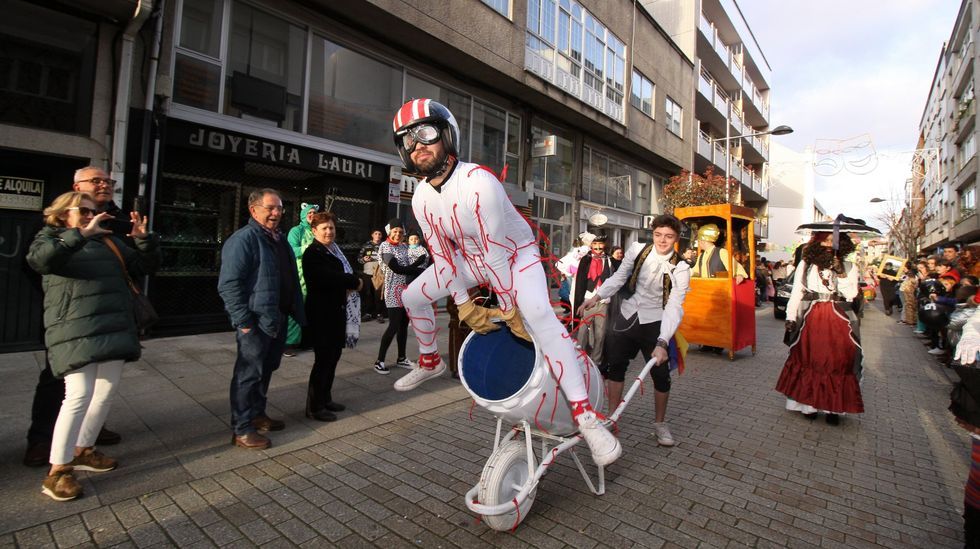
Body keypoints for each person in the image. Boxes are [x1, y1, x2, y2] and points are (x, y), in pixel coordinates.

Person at [391, 98, 621, 466]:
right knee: (413, 295)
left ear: (447, 135)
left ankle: (586, 417)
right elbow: (443, 255)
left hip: (516, 256)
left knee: (541, 319)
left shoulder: (478, 182)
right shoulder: (420, 197)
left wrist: (508, 308)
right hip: (473, 261)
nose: (417, 146)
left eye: (426, 134)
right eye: (408, 140)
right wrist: (464, 303)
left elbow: (497, 253)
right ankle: (431, 360)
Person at [28, 191, 160, 501]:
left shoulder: (108, 242)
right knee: (78, 396)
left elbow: (146, 265)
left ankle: (84, 449)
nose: (90, 216)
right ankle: (58, 471)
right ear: (63, 215)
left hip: (113, 326)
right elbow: (39, 261)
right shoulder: (51, 238)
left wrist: (144, 239)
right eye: (83, 211)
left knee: (105, 392)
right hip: (76, 330)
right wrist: (78, 235)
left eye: (92, 211)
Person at [23, 167, 128, 467]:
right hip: (70, 317)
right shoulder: (56, 221)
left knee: (101, 385)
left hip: (108, 315)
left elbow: (129, 262)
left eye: (108, 181)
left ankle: (86, 438)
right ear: (76, 186)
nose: (104, 185)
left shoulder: (117, 218)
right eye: (96, 181)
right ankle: (43, 441)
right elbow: (37, 264)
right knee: (61, 383)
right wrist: (64, 300)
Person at [579, 215, 690, 447]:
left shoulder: (681, 267)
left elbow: (674, 306)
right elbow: (619, 277)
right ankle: (611, 418)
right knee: (615, 366)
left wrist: (662, 342)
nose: (662, 240)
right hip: (628, 315)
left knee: (661, 376)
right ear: (653, 233)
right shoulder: (638, 249)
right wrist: (598, 296)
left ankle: (659, 424)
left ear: (676, 238)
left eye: (668, 236)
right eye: (658, 234)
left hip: (656, 323)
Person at [217, 188, 305, 450]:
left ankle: (257, 414)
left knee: (266, 370)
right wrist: (243, 322)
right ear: (253, 210)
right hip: (255, 322)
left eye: (279, 208)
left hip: (276, 318)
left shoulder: (278, 239)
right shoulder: (243, 240)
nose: (277, 213)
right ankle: (242, 429)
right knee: (248, 374)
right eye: (271, 208)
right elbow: (229, 285)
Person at [776, 231, 862, 425]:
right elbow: (797, 291)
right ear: (817, 243)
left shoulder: (849, 266)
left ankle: (833, 408)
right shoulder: (806, 265)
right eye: (826, 240)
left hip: (839, 318)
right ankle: (809, 406)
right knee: (810, 360)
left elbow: (851, 293)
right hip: (812, 317)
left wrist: (840, 273)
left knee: (837, 362)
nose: (830, 244)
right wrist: (790, 316)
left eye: (834, 241)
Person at [302, 212, 361, 422]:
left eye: (332, 228)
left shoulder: (333, 251)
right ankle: (314, 407)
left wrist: (350, 280)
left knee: (333, 358)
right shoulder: (313, 253)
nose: (329, 232)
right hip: (321, 316)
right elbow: (327, 278)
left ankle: (325, 398)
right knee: (323, 361)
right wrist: (352, 281)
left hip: (336, 314)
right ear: (314, 231)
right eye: (325, 228)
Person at [374, 219, 426, 374]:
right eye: (395, 231)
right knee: (394, 325)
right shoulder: (385, 246)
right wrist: (418, 268)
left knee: (403, 324)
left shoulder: (405, 246)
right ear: (389, 231)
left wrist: (421, 261)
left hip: (407, 289)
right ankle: (379, 361)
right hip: (392, 290)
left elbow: (418, 258)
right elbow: (396, 268)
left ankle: (401, 358)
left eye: (401, 232)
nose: (398, 234)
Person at [572, 235, 615, 366]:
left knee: (600, 334)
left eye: (600, 244)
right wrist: (578, 302)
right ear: (591, 245)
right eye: (595, 244)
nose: (597, 247)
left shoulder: (608, 260)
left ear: (604, 245)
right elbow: (579, 281)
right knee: (582, 332)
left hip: (603, 302)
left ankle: (596, 361)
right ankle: (579, 358)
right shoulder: (586, 259)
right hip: (587, 300)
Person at [284, 203, 319, 357]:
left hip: (314, 276)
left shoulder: (316, 230)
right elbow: (291, 249)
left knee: (311, 310)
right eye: (309, 212)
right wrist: (309, 247)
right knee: (296, 309)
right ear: (303, 214)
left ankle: (306, 341)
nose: (312, 215)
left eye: (314, 212)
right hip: (298, 276)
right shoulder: (295, 231)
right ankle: (289, 344)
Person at [358, 230, 387, 323]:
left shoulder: (384, 246)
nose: (378, 235)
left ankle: (379, 314)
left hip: (380, 274)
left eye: (379, 234)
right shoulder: (366, 246)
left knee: (378, 294)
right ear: (372, 235)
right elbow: (359, 259)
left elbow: (388, 259)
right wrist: (364, 259)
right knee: (368, 293)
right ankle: (368, 314)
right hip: (367, 272)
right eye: (376, 234)